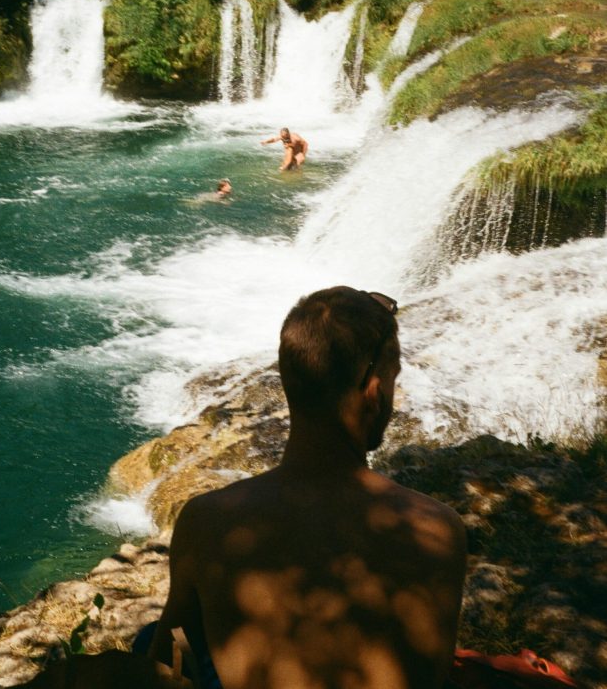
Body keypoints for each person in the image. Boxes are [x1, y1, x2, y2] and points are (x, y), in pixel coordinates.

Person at [149, 286, 467, 689]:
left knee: (156, 634)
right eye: (392, 380)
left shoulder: (207, 521)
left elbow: (164, 664)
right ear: (373, 392)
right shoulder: (436, 529)